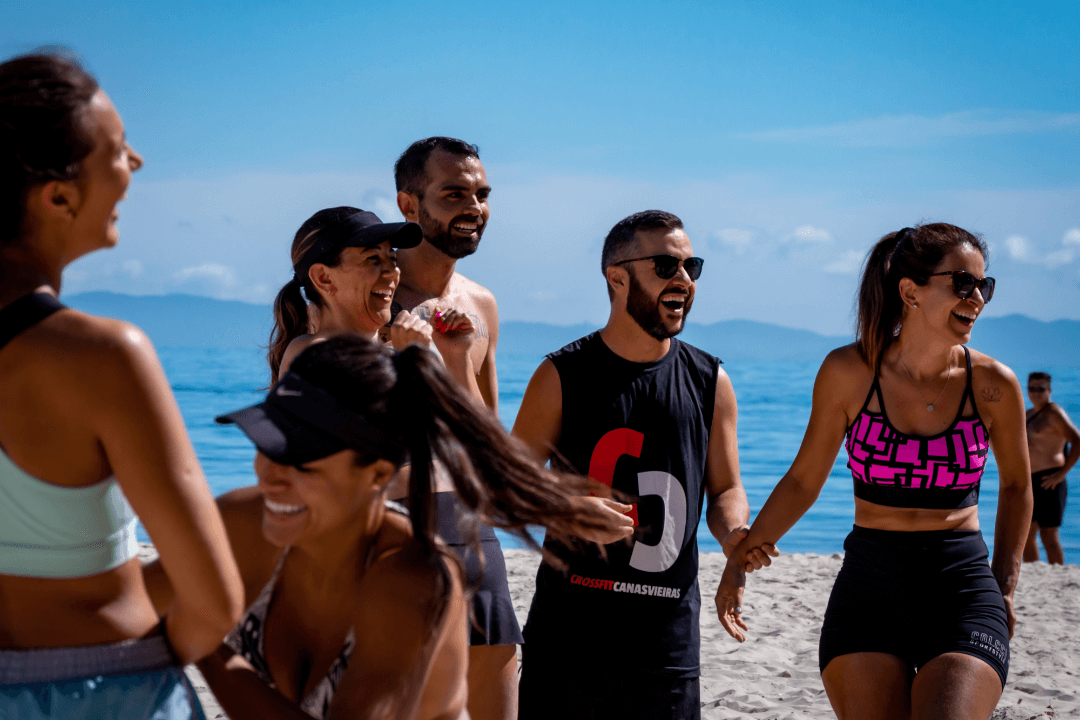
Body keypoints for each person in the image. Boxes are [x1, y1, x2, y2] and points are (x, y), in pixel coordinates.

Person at [144, 335, 617, 720]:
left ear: (378, 475)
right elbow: (126, 604)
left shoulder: (412, 579)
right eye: (267, 445)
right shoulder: (246, 519)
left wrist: (207, 642)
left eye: (302, 463)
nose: (268, 476)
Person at [0, 52, 243, 718]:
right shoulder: (103, 356)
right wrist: (141, 678)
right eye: (117, 150)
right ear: (58, 197)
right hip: (107, 685)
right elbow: (213, 602)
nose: (135, 162)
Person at [716, 224, 1032, 720]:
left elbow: (1016, 486)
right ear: (910, 291)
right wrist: (741, 558)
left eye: (984, 286)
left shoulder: (994, 384)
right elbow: (803, 479)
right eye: (963, 283)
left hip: (962, 588)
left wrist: (1005, 586)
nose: (977, 298)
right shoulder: (850, 372)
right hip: (869, 588)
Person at [512, 210, 771, 720]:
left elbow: (725, 489)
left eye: (692, 266)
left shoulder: (710, 380)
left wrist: (733, 534)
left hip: (666, 643)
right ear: (617, 278)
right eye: (666, 266)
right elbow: (507, 481)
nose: (684, 280)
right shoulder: (561, 374)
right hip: (568, 639)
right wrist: (567, 508)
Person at [393, 136, 520, 719]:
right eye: (454, 195)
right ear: (409, 204)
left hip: (469, 522)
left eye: (482, 194)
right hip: (392, 521)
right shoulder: (374, 293)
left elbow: (488, 430)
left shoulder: (481, 303)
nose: (474, 208)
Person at [1023, 371, 1079, 564]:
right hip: (1031, 480)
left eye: (1041, 389)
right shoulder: (1029, 414)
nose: (1036, 392)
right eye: (1032, 388)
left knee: (1049, 535)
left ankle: (1058, 570)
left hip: (1050, 480)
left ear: (1049, 390)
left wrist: (1061, 474)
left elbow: (1077, 441)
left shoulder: (1055, 413)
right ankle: (1033, 570)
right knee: (1027, 533)